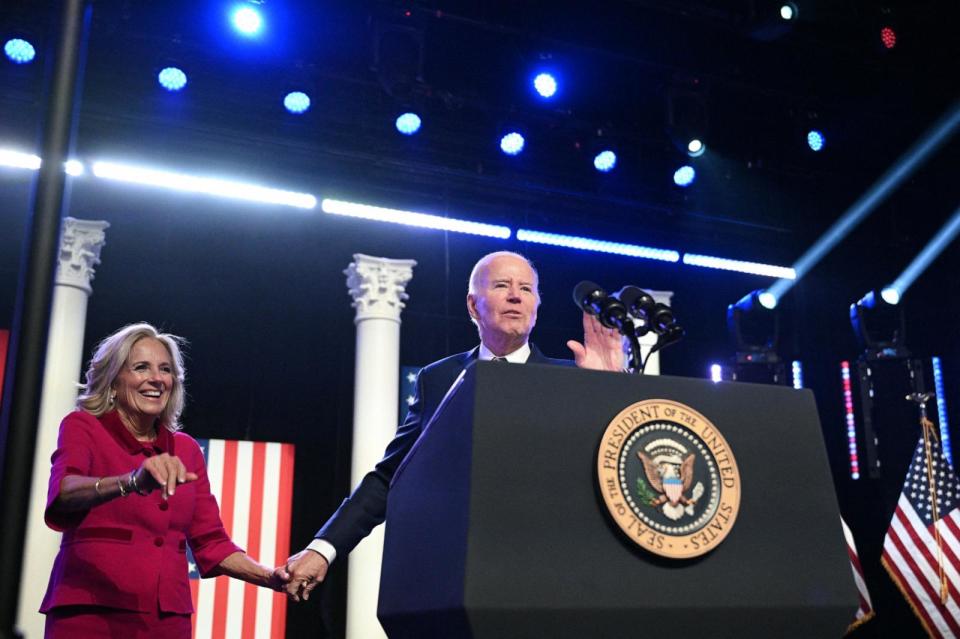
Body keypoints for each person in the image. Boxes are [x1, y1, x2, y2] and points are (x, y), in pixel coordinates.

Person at [283, 250, 623, 601]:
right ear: (473, 306)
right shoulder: (439, 378)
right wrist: (324, 548)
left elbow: (613, 467)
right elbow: (390, 477)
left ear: (536, 305)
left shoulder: (574, 379)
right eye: (502, 285)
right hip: (459, 581)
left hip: (550, 579)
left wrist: (613, 389)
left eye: (526, 288)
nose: (515, 295)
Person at [40, 323, 288, 638]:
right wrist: (131, 481)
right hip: (92, 609)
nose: (157, 379)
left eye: (165, 370)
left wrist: (270, 576)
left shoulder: (185, 449)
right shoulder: (83, 427)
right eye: (141, 368)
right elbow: (63, 492)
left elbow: (211, 542)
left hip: (166, 620)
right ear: (113, 381)